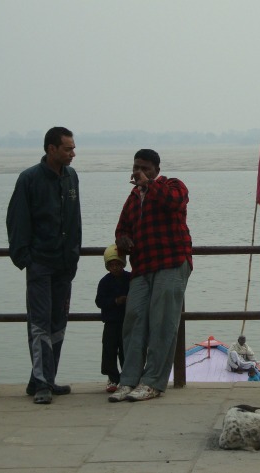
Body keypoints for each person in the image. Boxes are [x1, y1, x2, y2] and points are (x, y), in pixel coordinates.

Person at [108, 149, 193, 403]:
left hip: (171, 262)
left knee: (162, 323)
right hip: (142, 267)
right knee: (133, 321)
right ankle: (129, 380)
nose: (139, 172)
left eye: (145, 168)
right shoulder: (133, 197)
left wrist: (150, 186)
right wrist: (122, 239)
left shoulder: (172, 185)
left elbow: (175, 202)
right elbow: (122, 228)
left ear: (156, 169)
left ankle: (153, 381)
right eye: (136, 167)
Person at [6, 126, 81, 405]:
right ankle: (41, 383)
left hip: (64, 263)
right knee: (39, 325)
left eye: (73, 148)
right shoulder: (29, 179)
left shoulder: (72, 177)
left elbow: (76, 220)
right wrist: (24, 258)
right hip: (39, 263)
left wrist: (74, 255)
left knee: (58, 324)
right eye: (68, 148)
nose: (73, 153)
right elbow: (16, 220)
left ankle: (45, 377)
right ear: (51, 149)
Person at [95, 244, 131, 393]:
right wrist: (115, 301)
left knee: (126, 350)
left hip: (127, 321)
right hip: (110, 322)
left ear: (123, 264)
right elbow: (99, 301)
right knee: (109, 350)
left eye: (118, 264)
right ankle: (112, 377)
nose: (115, 268)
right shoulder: (104, 282)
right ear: (107, 266)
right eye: (112, 265)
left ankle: (127, 376)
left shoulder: (130, 278)